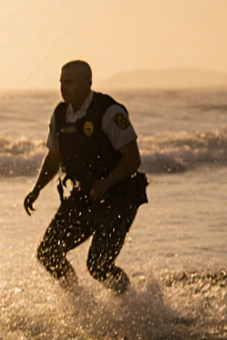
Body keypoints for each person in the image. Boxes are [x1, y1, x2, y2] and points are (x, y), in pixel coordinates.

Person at [24, 60, 148, 293]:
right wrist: (37, 189)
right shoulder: (61, 115)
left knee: (98, 266)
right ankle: (79, 301)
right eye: (61, 82)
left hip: (120, 195)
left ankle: (130, 300)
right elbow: (54, 157)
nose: (64, 87)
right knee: (48, 252)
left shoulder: (109, 111)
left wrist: (106, 183)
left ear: (87, 83)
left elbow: (133, 159)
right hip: (87, 193)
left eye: (70, 82)